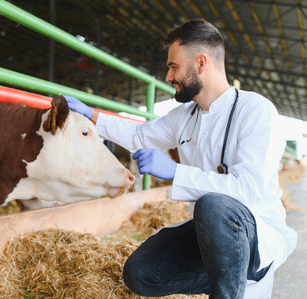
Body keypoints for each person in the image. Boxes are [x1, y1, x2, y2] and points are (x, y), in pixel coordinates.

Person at [64, 19, 297, 299]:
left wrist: (176, 172)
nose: (168, 77)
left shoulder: (256, 111)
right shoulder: (186, 115)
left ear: (200, 63)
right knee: (141, 272)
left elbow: (246, 190)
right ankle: (223, 279)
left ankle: (236, 285)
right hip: (208, 231)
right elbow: (139, 135)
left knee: (214, 206)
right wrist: (90, 115)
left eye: (173, 66)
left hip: (254, 236)